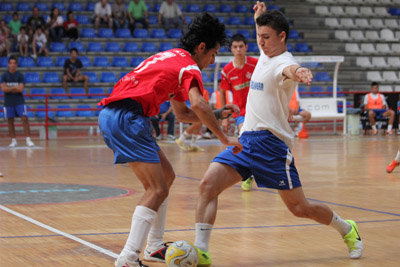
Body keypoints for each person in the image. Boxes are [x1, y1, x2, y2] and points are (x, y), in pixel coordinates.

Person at [193, 4, 363, 267]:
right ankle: (201, 252)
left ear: (282, 37)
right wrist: (259, 16)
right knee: (207, 185)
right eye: (258, 36)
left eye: (267, 37)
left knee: (299, 209)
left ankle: (346, 228)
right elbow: (262, 30)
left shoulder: (285, 62)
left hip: (271, 145)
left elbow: (289, 71)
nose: (260, 42)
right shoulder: (264, 53)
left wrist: (300, 72)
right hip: (246, 140)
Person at [97, 13, 241, 267]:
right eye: (213, 54)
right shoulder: (189, 66)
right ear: (201, 48)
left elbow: (184, 113)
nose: (212, 60)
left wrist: (217, 113)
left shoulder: (173, 57)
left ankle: (154, 247)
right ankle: (128, 258)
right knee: (157, 189)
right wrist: (224, 137)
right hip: (128, 117)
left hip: (115, 114)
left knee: (167, 176)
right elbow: (198, 103)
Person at [219, 33, 258, 190]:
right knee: (244, 137)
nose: (238, 49)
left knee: (261, 142)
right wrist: (224, 116)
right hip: (241, 113)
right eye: (235, 47)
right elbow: (222, 92)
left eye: (241, 46)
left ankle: (265, 171)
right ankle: (248, 175)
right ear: (231, 49)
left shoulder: (256, 64)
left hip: (258, 110)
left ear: (246, 47)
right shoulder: (227, 70)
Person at [1, 56, 35, 148]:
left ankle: (28, 139)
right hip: (8, 102)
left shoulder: (20, 75)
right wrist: (14, 88)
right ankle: (13, 140)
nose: (12, 65)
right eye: (10, 63)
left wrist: (9, 88)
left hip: (19, 101)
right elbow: (3, 89)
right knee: (10, 121)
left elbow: (20, 89)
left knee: (24, 118)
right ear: (8, 64)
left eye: (14, 63)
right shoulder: (4, 75)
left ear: (16, 65)